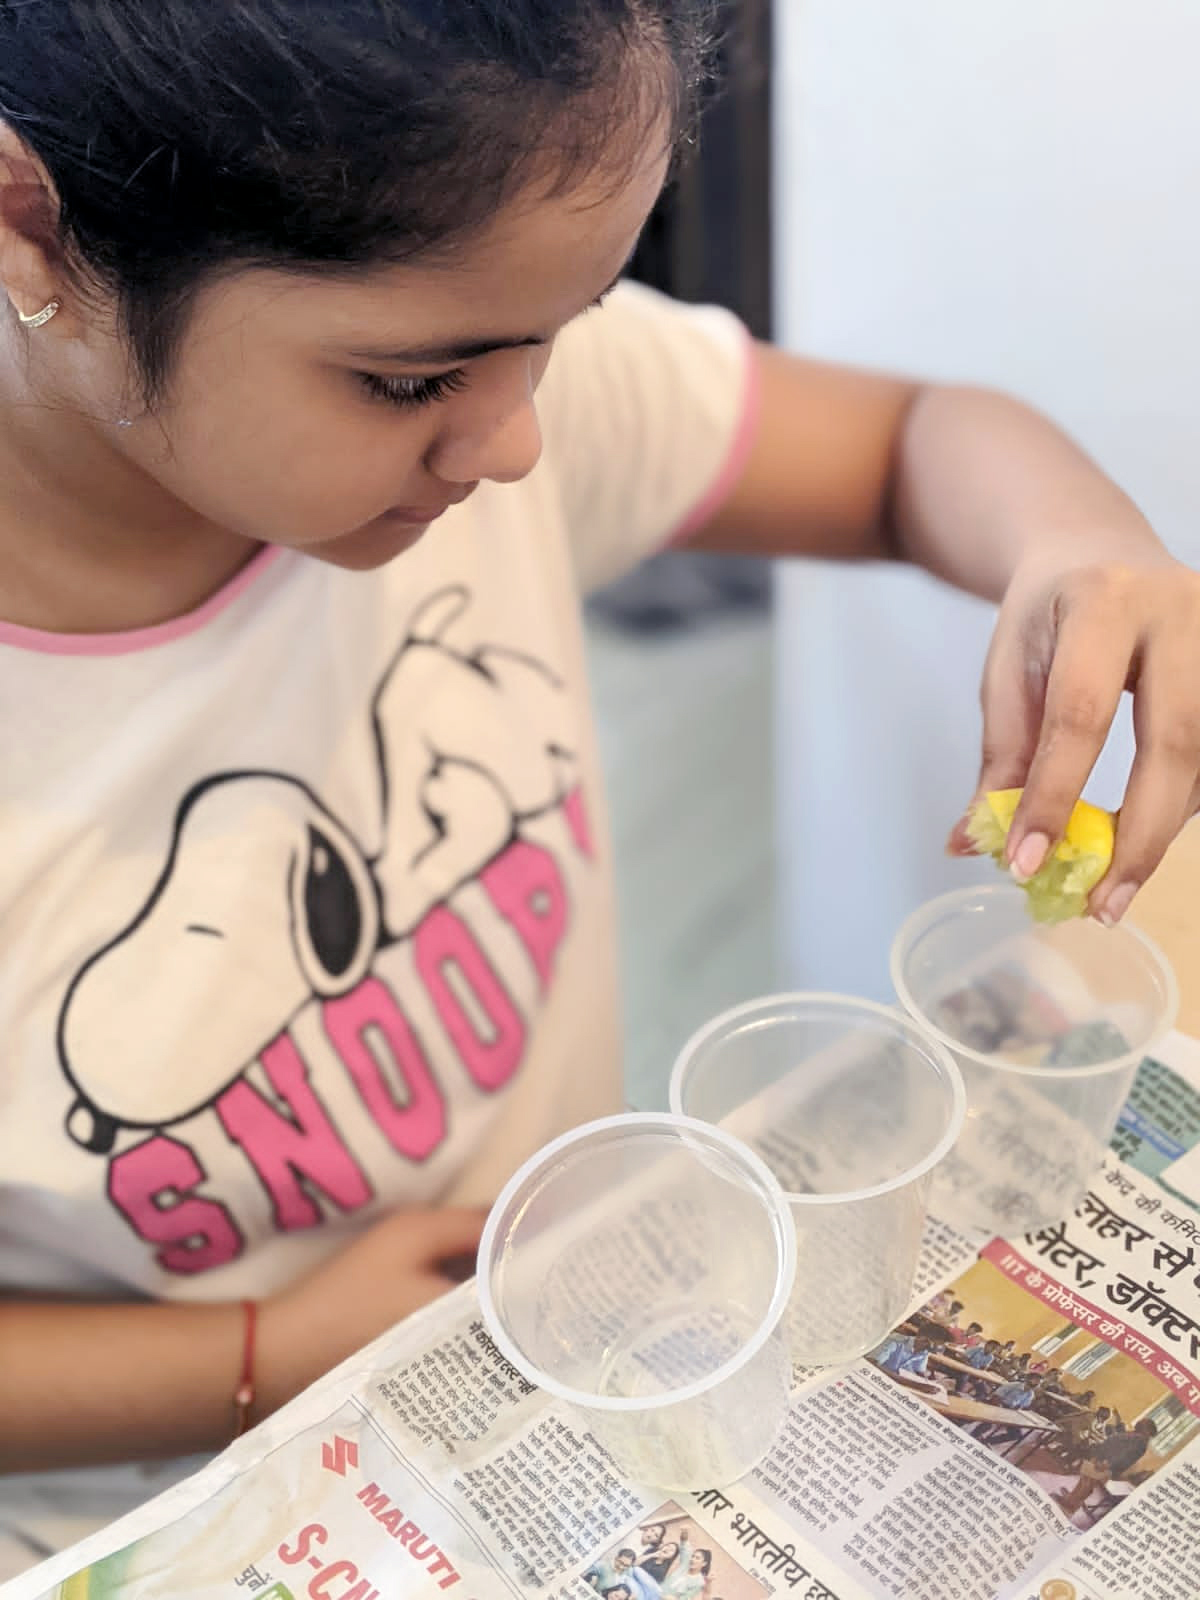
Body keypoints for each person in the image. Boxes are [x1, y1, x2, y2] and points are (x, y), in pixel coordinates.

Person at [2, 0, 1200, 1581]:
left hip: (575, 1369)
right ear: (35, 231)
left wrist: (1078, 543)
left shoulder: (476, 389)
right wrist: (257, 1351)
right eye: (405, 383)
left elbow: (915, 443)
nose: (511, 446)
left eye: (555, 337)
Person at [1056, 1419, 1158, 1516]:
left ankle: (1071, 1506)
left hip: (1106, 1464)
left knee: (1087, 1484)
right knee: (1084, 1479)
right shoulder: (1135, 1434)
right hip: (1102, 1457)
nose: (1140, 1422)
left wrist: (1108, 1464)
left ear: (1148, 1431)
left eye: (1144, 1423)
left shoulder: (1140, 1443)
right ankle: (1069, 1499)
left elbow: (1125, 1457)